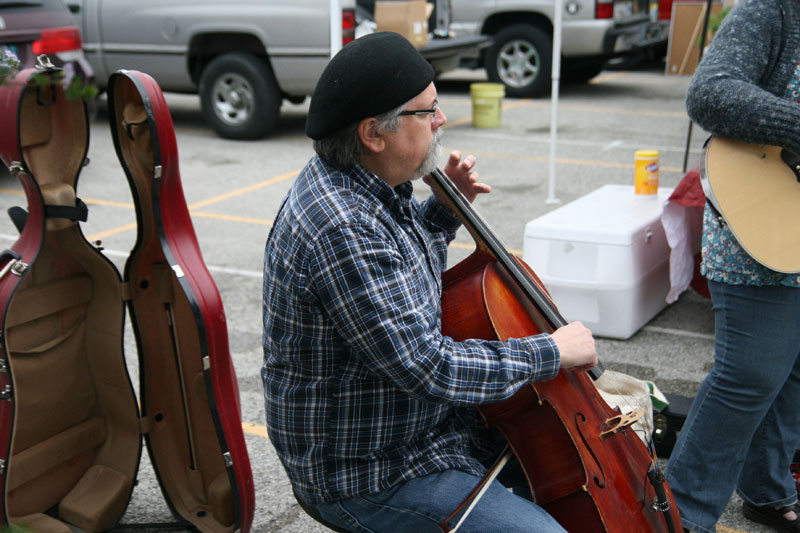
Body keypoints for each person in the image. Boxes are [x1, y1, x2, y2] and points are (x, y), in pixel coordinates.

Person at [261, 31, 598, 533]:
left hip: (418, 431)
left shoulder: (365, 180)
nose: (442, 120)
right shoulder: (341, 227)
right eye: (428, 111)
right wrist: (550, 350)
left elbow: (402, 280)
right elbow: (428, 366)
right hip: (370, 472)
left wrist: (441, 214)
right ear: (374, 134)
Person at [665, 0, 800, 532]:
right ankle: (680, 514)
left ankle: (767, 490)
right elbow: (710, 92)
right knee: (750, 374)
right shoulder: (774, 9)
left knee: (793, 372)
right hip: (757, 224)